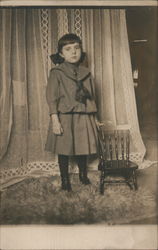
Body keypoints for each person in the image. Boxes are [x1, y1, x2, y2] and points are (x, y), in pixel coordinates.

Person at [45, 33, 98, 191]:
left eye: (77, 48)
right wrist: (55, 120)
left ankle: (83, 175)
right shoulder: (57, 73)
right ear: (61, 54)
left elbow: (91, 97)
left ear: (81, 51)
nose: (74, 52)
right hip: (65, 117)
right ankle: (65, 181)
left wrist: (95, 117)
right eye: (68, 49)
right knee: (64, 149)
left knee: (82, 147)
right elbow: (51, 97)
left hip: (83, 116)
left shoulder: (86, 72)